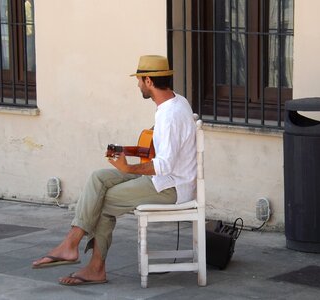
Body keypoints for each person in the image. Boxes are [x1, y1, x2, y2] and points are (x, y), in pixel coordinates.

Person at [32, 55, 197, 286]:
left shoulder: (170, 115)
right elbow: (162, 152)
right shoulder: (177, 101)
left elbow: (165, 165)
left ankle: (94, 266)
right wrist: (127, 154)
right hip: (166, 178)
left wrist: (128, 167)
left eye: (139, 79)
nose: (137, 84)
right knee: (98, 178)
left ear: (148, 81)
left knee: (104, 201)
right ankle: (71, 244)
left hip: (170, 186)